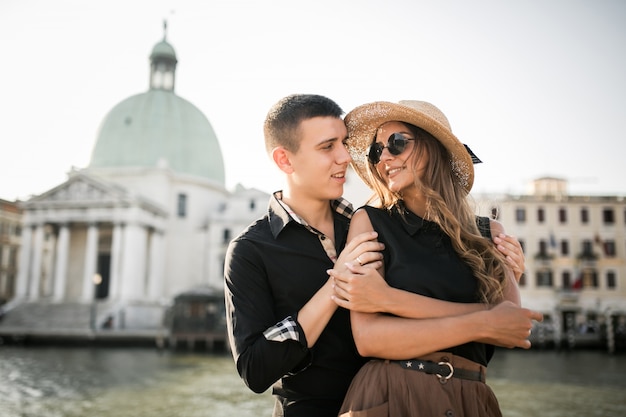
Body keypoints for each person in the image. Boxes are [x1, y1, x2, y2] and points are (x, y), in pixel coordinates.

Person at [224, 94, 534, 417]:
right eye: (328, 147)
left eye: (344, 143)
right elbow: (255, 369)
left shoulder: (365, 225)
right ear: (285, 160)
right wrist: (337, 286)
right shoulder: (251, 250)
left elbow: (506, 326)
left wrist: (502, 278)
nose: (345, 157)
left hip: (411, 400)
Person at [328, 100, 543, 417]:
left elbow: (513, 329)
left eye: (397, 144)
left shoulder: (490, 233)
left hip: (470, 400)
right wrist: (485, 321)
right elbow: (370, 339)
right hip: (391, 395)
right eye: (376, 152)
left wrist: (389, 299)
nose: (384, 157)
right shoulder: (369, 222)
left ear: (432, 147)